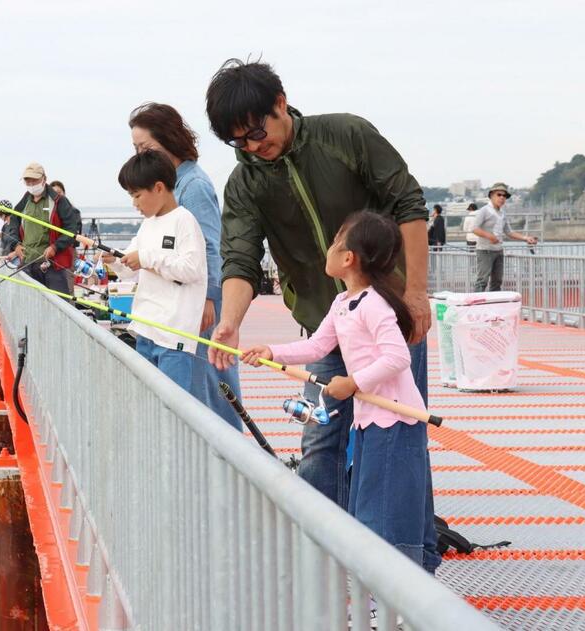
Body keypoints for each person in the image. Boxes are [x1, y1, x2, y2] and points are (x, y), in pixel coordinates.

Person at [204, 58, 439, 572]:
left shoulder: (346, 135)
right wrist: (232, 321)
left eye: (257, 132)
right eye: (237, 142)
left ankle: (414, 562)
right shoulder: (245, 184)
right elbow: (240, 259)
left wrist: (417, 295)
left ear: (281, 104)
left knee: (399, 439)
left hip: (389, 319)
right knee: (319, 441)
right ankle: (325, 559)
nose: (251, 146)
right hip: (325, 324)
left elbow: (409, 204)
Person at [240, 212, 433, 570]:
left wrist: (353, 383)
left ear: (348, 258)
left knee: (383, 513)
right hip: (370, 421)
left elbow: (397, 357)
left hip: (395, 419)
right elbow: (316, 347)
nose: (328, 249)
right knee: (367, 506)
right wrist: (272, 352)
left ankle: (396, 599)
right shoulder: (344, 303)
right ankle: (381, 595)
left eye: (334, 242)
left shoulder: (374, 304)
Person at [129, 102, 243, 431]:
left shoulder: (192, 186)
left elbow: (209, 245)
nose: (140, 155)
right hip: (178, 304)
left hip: (198, 303)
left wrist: (209, 297)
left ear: (169, 139)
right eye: (136, 148)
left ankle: (226, 461)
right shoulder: (169, 183)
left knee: (209, 386)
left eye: (146, 147)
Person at [103, 150, 206, 392]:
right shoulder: (147, 226)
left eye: (137, 195)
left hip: (173, 338)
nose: (134, 203)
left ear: (159, 188)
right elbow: (129, 270)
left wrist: (147, 259)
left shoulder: (184, 221)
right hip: (145, 331)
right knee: (150, 402)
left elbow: (191, 270)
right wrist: (113, 261)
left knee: (174, 406)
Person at [10, 162, 80, 293]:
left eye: (34, 180)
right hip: (28, 263)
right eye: (28, 181)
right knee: (30, 302)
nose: (31, 184)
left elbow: (71, 229)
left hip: (53, 264)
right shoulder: (25, 201)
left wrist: (55, 246)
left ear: (44, 179)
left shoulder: (59, 200)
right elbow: (13, 221)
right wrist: (15, 245)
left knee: (60, 302)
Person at [472, 182, 538, 292]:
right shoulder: (484, 210)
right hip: (485, 251)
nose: (502, 198)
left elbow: (509, 232)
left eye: (504, 196)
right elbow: (474, 228)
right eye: (499, 195)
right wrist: (490, 236)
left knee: (497, 281)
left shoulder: (502, 212)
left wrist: (526, 238)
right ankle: (476, 307)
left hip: (498, 251)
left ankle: (494, 306)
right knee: (482, 281)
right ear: (491, 195)